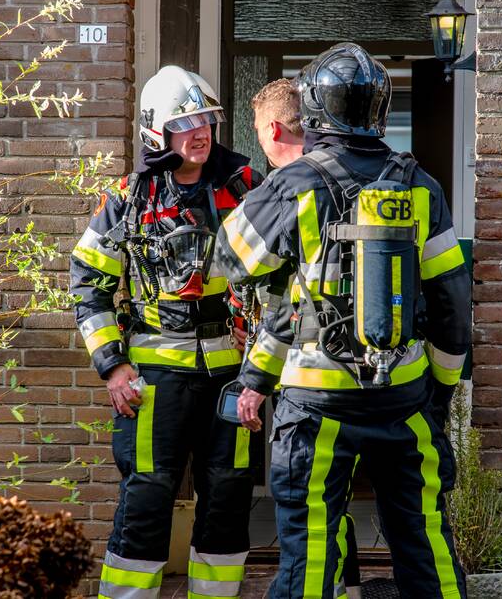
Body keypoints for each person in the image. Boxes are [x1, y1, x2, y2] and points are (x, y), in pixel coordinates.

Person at [216, 43, 471, 599]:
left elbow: (230, 260)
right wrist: (439, 394)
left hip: (315, 406)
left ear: (312, 108)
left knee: (310, 548)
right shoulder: (419, 185)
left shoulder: (294, 184)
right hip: (404, 402)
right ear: (379, 108)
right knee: (426, 540)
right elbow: (452, 302)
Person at [70, 65, 262, 599]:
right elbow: (88, 282)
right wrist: (112, 365)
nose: (201, 130)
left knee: (228, 493)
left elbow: (283, 272)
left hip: (231, 374)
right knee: (148, 495)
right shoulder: (129, 197)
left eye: (207, 118)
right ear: (158, 130)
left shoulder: (245, 185)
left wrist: (263, 366)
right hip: (153, 378)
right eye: (187, 121)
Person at [234, 78, 363, 599]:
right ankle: (348, 589)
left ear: (273, 129)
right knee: (344, 505)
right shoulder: (376, 175)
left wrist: (255, 380)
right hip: (392, 384)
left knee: (309, 514)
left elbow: (230, 264)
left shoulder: (292, 188)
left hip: (316, 387)